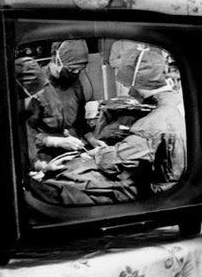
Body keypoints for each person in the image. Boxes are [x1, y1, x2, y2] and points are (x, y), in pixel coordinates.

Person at [30, 46, 186, 205]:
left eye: (79, 70)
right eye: (72, 69)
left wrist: (95, 150)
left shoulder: (154, 123)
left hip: (160, 190)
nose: (129, 92)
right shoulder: (178, 102)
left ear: (136, 83)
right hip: (43, 154)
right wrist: (52, 143)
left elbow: (117, 158)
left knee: (71, 186)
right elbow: (27, 134)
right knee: (60, 178)